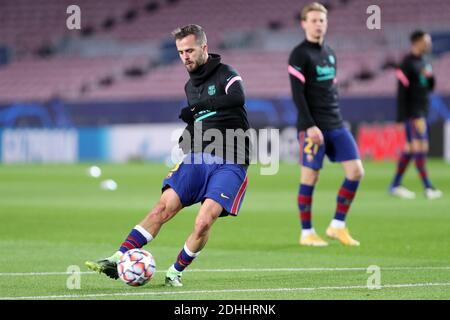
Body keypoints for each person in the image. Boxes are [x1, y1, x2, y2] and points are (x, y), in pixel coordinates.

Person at [86, 24, 250, 286]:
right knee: (163, 207)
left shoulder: (226, 73)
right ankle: (118, 258)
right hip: (198, 157)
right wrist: (188, 135)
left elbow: (237, 99)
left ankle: (175, 271)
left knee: (203, 221)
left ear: (204, 48)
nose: (185, 56)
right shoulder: (190, 86)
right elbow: (201, 120)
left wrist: (196, 109)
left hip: (231, 159)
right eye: (180, 52)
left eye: (190, 50)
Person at [288, 2, 364, 247]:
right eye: (313, 20)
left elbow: (331, 89)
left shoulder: (330, 52)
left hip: (336, 123)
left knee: (356, 171)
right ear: (304, 24)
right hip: (312, 126)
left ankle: (337, 226)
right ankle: (306, 232)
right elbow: (297, 94)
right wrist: (309, 125)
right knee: (310, 177)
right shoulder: (299, 54)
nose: (318, 24)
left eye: (322, 20)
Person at [389, 30, 442, 200]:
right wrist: (400, 117)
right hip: (414, 112)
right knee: (421, 147)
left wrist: (431, 77)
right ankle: (428, 187)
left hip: (423, 109)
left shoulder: (425, 62)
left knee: (411, 149)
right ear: (417, 42)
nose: (429, 44)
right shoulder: (406, 63)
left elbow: (429, 86)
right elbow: (401, 92)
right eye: (426, 41)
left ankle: (395, 185)